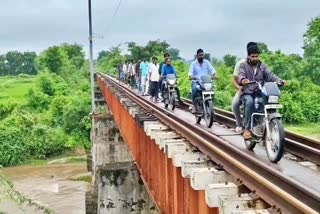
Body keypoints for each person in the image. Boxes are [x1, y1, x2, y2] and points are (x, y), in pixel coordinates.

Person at [238, 43, 285, 140]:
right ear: (248, 56)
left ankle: (265, 124)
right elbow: (240, 75)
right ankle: (247, 129)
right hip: (247, 92)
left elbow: (270, 75)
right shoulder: (243, 65)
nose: (255, 58)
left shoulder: (262, 66)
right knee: (250, 102)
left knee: (266, 101)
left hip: (259, 91)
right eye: (253, 56)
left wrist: (279, 80)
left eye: (256, 56)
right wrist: (243, 80)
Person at [231, 42, 257, 133]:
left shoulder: (259, 64)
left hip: (257, 90)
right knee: (235, 104)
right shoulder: (240, 64)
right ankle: (239, 124)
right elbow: (233, 80)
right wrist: (239, 88)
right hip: (244, 90)